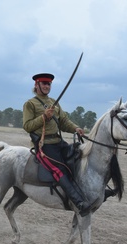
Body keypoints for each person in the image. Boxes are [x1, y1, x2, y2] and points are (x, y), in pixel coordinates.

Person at [22, 73, 91, 216]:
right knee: (59, 169)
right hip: (44, 145)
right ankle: (77, 201)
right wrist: (43, 117)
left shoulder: (55, 102)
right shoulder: (30, 104)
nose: (47, 86)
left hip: (58, 142)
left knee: (77, 157)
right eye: (44, 83)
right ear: (37, 85)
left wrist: (75, 128)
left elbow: (64, 122)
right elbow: (27, 126)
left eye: (49, 84)